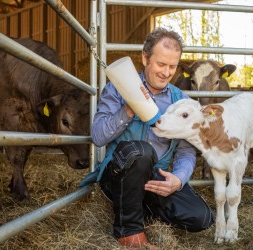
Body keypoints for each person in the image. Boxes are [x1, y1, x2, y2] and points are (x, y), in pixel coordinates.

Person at [79, 27, 214, 248]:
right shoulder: (117, 88)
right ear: (145, 58)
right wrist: (129, 109)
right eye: (161, 64)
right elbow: (98, 136)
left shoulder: (182, 101)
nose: (166, 72)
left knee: (201, 217)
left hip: (155, 179)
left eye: (172, 66)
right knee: (141, 151)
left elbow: (186, 150)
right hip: (119, 175)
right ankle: (130, 234)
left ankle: (141, 211)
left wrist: (178, 179)